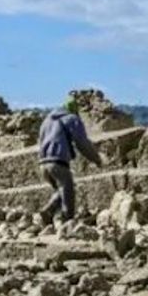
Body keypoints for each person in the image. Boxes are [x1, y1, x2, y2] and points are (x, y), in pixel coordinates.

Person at [37, 94, 103, 225]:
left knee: (61, 189)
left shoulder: (46, 121)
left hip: (43, 163)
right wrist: (96, 159)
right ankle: (68, 222)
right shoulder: (72, 119)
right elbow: (82, 143)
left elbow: (40, 141)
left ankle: (48, 211)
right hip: (58, 161)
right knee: (68, 192)